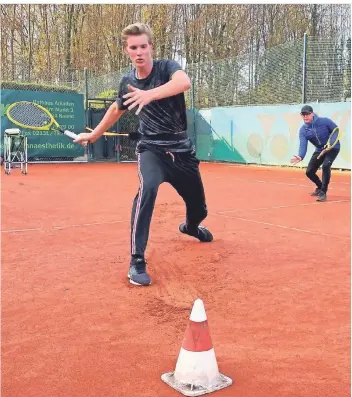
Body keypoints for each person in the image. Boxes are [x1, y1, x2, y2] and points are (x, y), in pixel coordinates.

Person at [73, 22, 213, 286]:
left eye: (143, 46)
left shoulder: (167, 67)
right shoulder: (127, 82)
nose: (139, 52)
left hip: (182, 153)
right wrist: (94, 135)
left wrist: (149, 94)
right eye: (133, 47)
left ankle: (191, 227)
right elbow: (116, 109)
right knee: (147, 189)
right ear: (127, 51)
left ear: (151, 47)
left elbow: (184, 82)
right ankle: (137, 260)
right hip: (151, 150)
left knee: (200, 209)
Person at [290, 105, 340, 202]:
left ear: (312, 114)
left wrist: (331, 144)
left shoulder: (324, 121)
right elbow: (303, 144)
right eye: (303, 114)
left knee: (326, 166)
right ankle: (320, 186)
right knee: (309, 172)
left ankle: (323, 192)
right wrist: (301, 156)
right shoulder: (303, 130)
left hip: (333, 148)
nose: (305, 116)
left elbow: (336, 130)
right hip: (319, 150)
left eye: (307, 114)